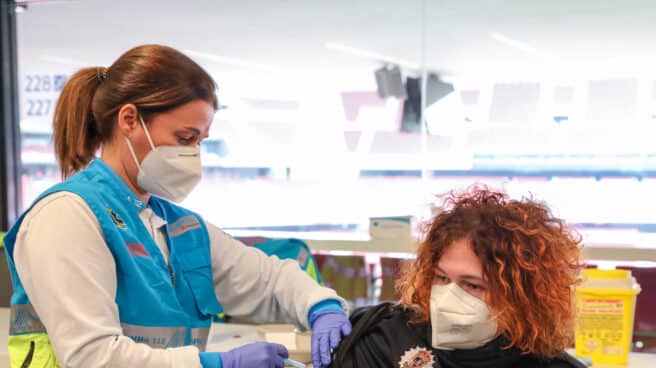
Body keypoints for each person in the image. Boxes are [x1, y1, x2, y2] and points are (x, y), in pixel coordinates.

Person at [3, 44, 350, 368]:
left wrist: (322, 306)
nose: (193, 154)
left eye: (200, 141)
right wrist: (215, 363)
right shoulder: (68, 215)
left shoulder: (176, 226)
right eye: (184, 139)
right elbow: (91, 356)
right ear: (129, 120)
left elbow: (267, 280)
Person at [331, 187, 586, 368]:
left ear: (521, 296)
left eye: (473, 285)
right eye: (441, 278)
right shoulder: (383, 341)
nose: (448, 297)